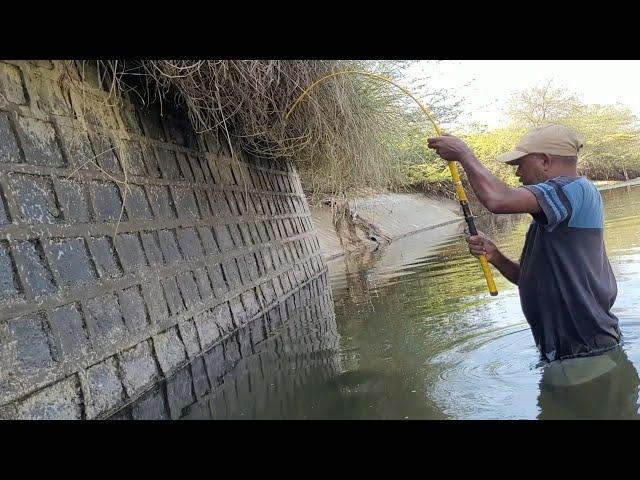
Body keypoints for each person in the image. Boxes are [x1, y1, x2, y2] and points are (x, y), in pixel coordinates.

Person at [427, 124, 622, 364]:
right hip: (565, 352)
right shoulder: (549, 218)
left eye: (521, 164)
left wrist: (465, 154)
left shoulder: (575, 189)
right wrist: (496, 257)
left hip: (588, 349)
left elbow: (498, 200)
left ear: (544, 161)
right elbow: (529, 280)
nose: (518, 173)